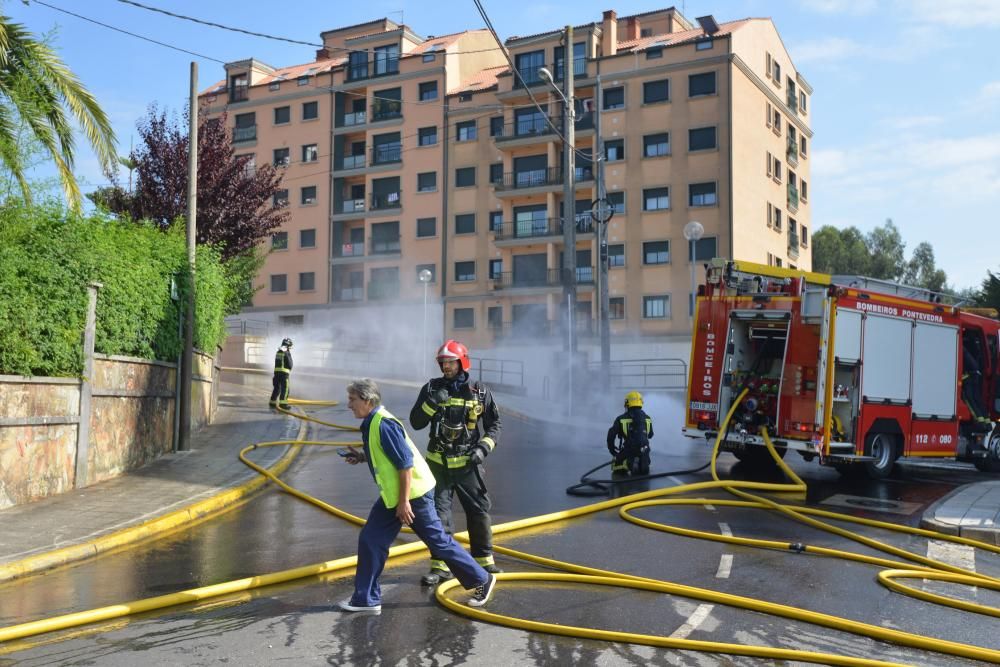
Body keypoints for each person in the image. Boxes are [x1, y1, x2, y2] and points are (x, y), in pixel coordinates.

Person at [337, 378, 496, 612]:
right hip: (395, 497)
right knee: (371, 540)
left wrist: (403, 503)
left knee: (438, 542)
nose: (349, 404)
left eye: (352, 399)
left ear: (368, 400)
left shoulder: (383, 424)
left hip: (413, 496)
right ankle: (365, 599)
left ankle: (482, 579)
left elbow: (405, 464)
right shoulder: (373, 422)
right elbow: (387, 456)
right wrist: (362, 457)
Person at [409, 340, 502, 586]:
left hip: (468, 464)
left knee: (479, 511)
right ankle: (440, 567)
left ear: (462, 362)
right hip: (438, 465)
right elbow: (416, 421)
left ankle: (484, 560)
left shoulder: (480, 391)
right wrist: (432, 404)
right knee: (439, 517)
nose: (445, 367)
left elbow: (494, 425)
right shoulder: (431, 389)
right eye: (442, 363)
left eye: (450, 362)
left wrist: (483, 448)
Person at [606, 391, 654, 475]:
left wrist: (612, 449)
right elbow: (650, 435)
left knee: (615, 466)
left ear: (627, 403)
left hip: (629, 450)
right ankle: (642, 462)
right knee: (645, 458)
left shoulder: (621, 418)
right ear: (641, 402)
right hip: (644, 450)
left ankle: (626, 464)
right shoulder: (647, 419)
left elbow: (611, 434)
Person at [269, 337, 293, 409]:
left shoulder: (278, 351)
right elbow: (290, 364)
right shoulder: (286, 352)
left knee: (277, 388)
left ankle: (272, 402)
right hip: (284, 374)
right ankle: (283, 404)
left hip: (276, 373)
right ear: (288, 345)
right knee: (285, 389)